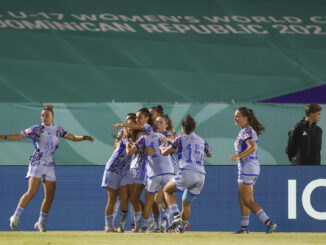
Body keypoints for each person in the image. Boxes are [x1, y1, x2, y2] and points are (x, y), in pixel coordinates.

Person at [0, 105, 94, 232]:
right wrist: (4, 137)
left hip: (50, 165)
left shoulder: (58, 129)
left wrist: (83, 137)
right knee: (32, 192)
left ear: (52, 117)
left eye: (46, 115)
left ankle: (40, 223)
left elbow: (71, 137)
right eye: (42, 115)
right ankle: (15, 217)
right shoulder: (37, 128)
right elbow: (20, 135)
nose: (44, 117)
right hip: (37, 162)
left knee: (50, 196)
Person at [160, 114, 212, 233]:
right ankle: (182, 227)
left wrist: (161, 148)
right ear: (193, 128)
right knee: (186, 203)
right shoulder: (201, 140)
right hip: (201, 176)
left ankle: (177, 217)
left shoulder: (180, 138)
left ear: (183, 127)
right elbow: (209, 153)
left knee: (167, 191)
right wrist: (197, 152)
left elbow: (166, 153)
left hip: (187, 172)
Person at [230, 107, 277, 234]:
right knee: (242, 198)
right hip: (250, 167)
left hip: (247, 167)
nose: (235, 118)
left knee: (247, 200)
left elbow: (252, 147)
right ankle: (244, 228)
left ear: (246, 118)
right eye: (235, 116)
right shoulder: (247, 130)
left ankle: (268, 222)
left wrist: (238, 156)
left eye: (238, 116)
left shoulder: (246, 130)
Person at [111, 107, 154, 232]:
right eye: (136, 117)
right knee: (133, 198)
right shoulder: (133, 134)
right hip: (133, 167)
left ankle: (147, 222)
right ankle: (142, 223)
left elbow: (135, 149)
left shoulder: (146, 129)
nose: (137, 120)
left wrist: (122, 125)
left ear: (146, 118)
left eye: (139, 117)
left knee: (135, 197)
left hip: (141, 167)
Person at [102, 115, 136, 232]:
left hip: (124, 172)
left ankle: (121, 224)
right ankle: (109, 226)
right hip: (112, 169)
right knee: (112, 199)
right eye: (128, 125)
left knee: (125, 197)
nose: (130, 128)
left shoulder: (136, 136)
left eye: (133, 125)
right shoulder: (125, 138)